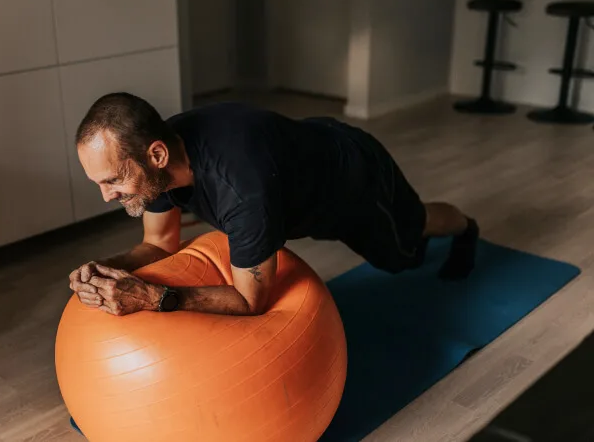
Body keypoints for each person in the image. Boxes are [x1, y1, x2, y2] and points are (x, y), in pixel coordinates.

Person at [68, 92, 479, 317]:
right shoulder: (161, 162)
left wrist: (153, 298)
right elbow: (160, 243)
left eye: (113, 180)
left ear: (156, 155)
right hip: (298, 174)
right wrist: (106, 267)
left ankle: (465, 227)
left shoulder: (243, 189)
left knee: (402, 252)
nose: (107, 196)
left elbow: (251, 301)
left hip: (355, 182)